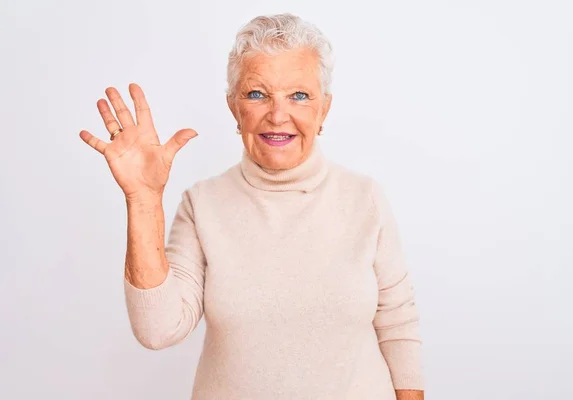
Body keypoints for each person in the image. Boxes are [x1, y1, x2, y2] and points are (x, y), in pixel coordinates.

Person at [80, 13, 425, 400]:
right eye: (257, 94)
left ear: (324, 109)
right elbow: (158, 329)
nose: (278, 115)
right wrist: (143, 200)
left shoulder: (365, 199)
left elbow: (399, 325)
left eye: (299, 95)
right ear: (233, 107)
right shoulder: (202, 205)